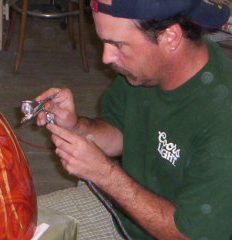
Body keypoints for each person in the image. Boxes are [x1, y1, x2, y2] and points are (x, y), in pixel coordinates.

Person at [35, 0, 232, 239]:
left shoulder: (222, 122)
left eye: (118, 44)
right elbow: (120, 132)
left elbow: (188, 234)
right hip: (122, 212)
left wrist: (104, 174)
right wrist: (76, 126)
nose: (107, 57)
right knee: (12, 223)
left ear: (170, 37)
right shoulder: (144, 71)